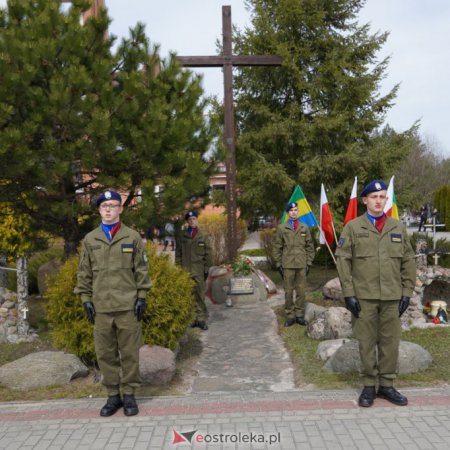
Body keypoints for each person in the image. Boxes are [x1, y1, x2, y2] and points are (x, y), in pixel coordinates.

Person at [335, 180, 416, 408]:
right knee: (366, 343)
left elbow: (408, 261)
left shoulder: (398, 228)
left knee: (391, 343)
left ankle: (387, 386)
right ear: (365, 200)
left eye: (382, 197)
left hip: (392, 296)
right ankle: (369, 386)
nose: (378, 201)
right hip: (364, 297)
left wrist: (406, 292)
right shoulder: (353, 227)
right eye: (374, 197)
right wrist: (349, 293)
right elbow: (343, 261)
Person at [74, 190, 151, 417]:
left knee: (129, 354)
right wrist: (86, 299)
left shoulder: (132, 237)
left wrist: (142, 297)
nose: (108, 209)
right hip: (101, 308)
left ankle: (129, 396)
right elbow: (84, 273)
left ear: (120, 209)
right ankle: (112, 396)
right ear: (99, 210)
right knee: (105, 355)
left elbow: (142, 270)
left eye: (113, 205)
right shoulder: (90, 239)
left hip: (127, 307)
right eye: (104, 205)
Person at [273, 202, 315, 327]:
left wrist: (309, 262)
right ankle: (290, 315)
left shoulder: (304, 227)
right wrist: (278, 264)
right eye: (291, 210)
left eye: (296, 210)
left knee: (301, 291)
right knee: (288, 291)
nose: (294, 212)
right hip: (288, 264)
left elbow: (309, 246)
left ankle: (299, 315)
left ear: (298, 212)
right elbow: (277, 247)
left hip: (301, 264)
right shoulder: (282, 228)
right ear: (287, 213)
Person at [175, 211, 212, 330]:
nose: (192, 221)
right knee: (189, 295)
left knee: (200, 294)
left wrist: (207, 268)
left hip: (199, 270)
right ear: (187, 221)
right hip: (186, 269)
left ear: (197, 220)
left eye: (194, 219)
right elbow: (178, 253)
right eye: (190, 219)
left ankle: (201, 319)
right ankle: (192, 319)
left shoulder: (204, 236)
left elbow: (209, 253)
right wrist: (178, 268)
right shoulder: (182, 235)